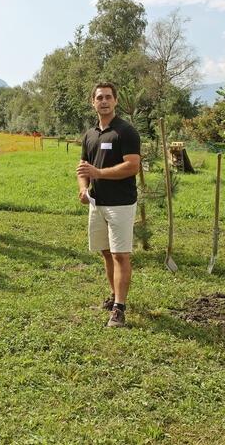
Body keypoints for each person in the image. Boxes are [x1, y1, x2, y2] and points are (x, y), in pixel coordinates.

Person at [76, 82, 141, 328]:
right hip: (97, 204)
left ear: (115, 101)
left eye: (108, 97)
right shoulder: (90, 134)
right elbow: (83, 167)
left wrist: (99, 174)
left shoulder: (126, 131)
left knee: (120, 255)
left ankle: (120, 310)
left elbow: (132, 166)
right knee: (106, 252)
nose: (104, 101)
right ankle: (114, 298)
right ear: (93, 102)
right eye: (99, 97)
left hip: (121, 204)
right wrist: (83, 188)